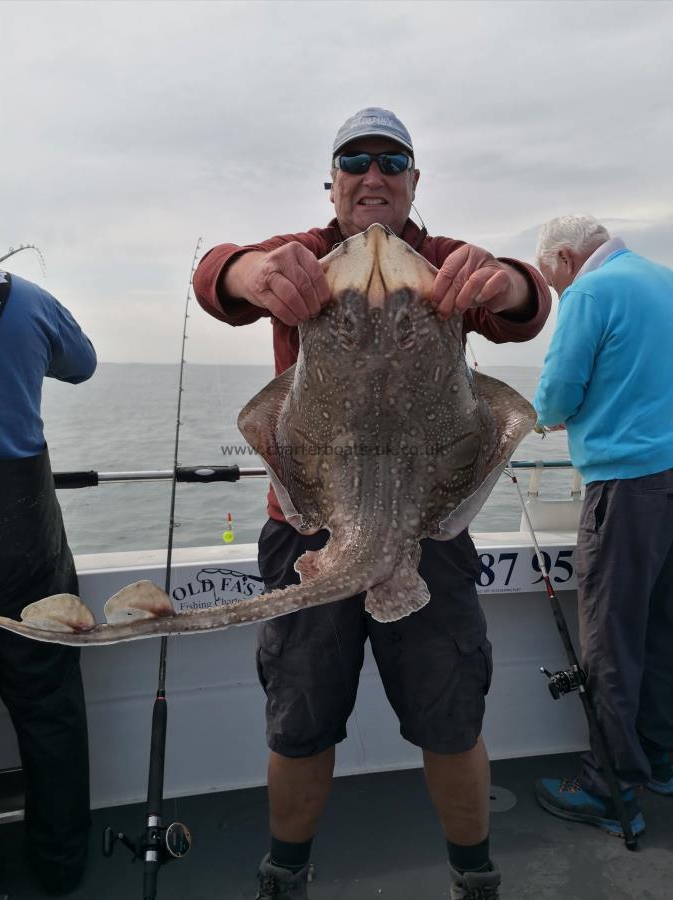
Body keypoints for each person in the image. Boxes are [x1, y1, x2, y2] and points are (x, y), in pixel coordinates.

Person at [194, 107, 551, 900]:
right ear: (333, 181)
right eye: (354, 160)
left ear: (413, 181)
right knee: (300, 722)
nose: (373, 174)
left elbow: (523, 311)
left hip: (430, 527)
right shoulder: (307, 255)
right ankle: (285, 874)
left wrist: (511, 280)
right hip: (308, 526)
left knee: (450, 717)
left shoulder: (449, 260)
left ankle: (474, 876)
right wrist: (245, 272)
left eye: (392, 161)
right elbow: (214, 276)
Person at [532, 215, 673, 838]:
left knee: (611, 639)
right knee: (662, 629)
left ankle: (609, 787)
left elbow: (558, 393)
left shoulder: (590, 291)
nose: (556, 290)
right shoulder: (663, 280)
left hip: (624, 486)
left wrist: (548, 416)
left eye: (549, 279)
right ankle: (662, 759)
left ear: (565, 258)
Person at [0, 269, 96, 895]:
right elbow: (81, 363)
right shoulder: (26, 301)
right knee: (48, 708)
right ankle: (59, 867)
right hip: (20, 533)